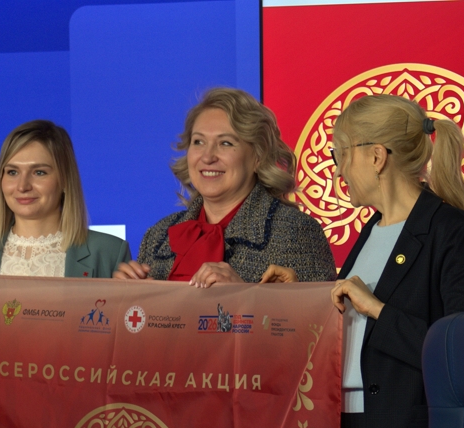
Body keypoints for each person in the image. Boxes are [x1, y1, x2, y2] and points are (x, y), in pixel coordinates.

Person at [265, 94, 464, 428]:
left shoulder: (454, 232)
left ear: (376, 156)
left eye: (340, 154)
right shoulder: (372, 230)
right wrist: (305, 295)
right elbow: (355, 324)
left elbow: (463, 357)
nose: (337, 170)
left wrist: (377, 309)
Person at [113, 87, 336, 287]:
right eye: (198, 142)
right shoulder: (157, 236)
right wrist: (127, 300)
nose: (207, 157)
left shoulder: (295, 232)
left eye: (225, 143)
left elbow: (319, 319)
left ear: (258, 157)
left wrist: (243, 296)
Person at [0, 120, 130, 276]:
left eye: (39, 172)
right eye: (13, 172)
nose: (22, 186)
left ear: (65, 180)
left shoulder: (109, 252)